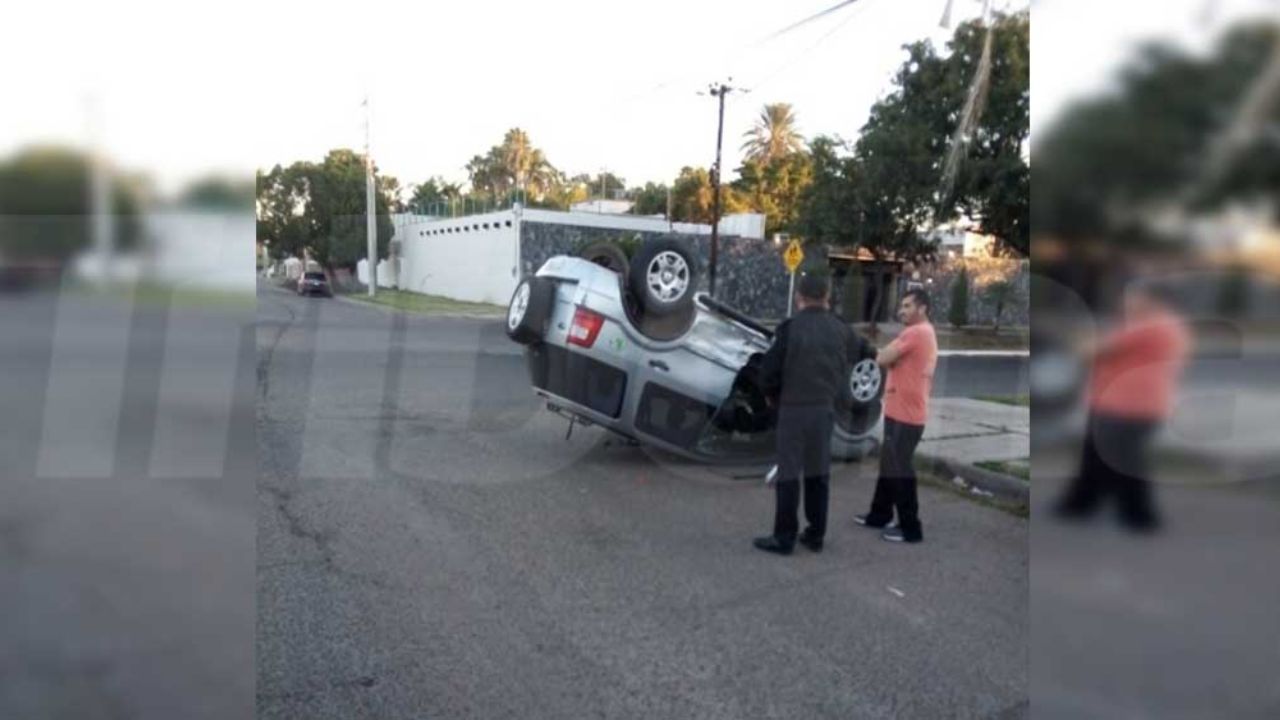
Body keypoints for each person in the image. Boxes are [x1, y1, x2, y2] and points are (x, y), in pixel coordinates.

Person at [1053, 281, 1190, 532]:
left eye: (1135, 299)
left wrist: (1082, 342)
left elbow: (1092, 351)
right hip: (1129, 404)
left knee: (1120, 461)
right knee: (1097, 457)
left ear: (1152, 300)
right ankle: (1080, 504)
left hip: (1127, 406)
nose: (1128, 303)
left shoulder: (1150, 325)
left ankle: (1140, 516)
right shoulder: (1168, 325)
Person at [753, 270, 868, 555]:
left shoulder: (790, 328)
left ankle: (784, 537)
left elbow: (768, 371)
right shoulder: (841, 328)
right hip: (824, 411)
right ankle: (816, 534)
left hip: (793, 410)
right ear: (828, 296)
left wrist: (770, 396)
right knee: (819, 474)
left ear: (799, 297)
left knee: (789, 475)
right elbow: (863, 355)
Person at [855, 288, 938, 544]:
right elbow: (889, 357)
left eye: (907, 306)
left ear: (922, 308)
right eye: (901, 306)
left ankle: (910, 528)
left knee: (900, 470)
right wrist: (891, 355)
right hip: (902, 411)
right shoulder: (923, 332)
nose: (901, 310)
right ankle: (879, 514)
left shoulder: (916, 332)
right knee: (890, 465)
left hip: (906, 415)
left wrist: (889, 354)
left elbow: (882, 357)